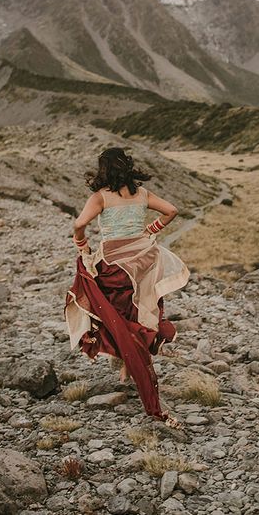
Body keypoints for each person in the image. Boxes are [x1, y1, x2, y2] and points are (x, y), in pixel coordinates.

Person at [64, 147, 189, 426]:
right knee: (140, 312)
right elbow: (172, 210)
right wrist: (151, 229)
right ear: (128, 166)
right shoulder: (143, 194)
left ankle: (125, 366)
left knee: (113, 315)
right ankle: (128, 370)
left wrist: (82, 245)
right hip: (144, 260)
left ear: (104, 170)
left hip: (114, 265)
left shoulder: (101, 197)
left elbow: (79, 223)